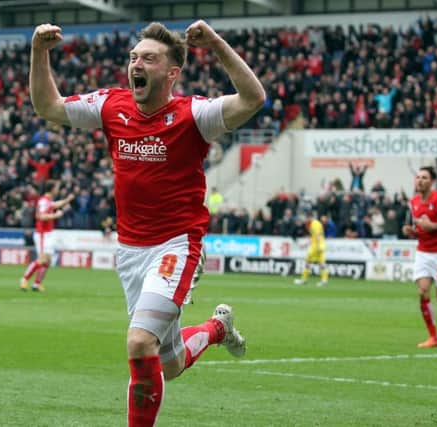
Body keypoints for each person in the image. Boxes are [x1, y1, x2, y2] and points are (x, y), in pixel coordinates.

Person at [30, 20, 265, 426]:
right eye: (133, 57)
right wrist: (39, 51)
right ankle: (216, 328)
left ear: (172, 72)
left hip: (176, 245)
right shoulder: (111, 106)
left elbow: (253, 98)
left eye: (149, 58)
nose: (136, 63)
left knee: (139, 343)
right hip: (130, 252)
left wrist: (215, 44)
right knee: (167, 365)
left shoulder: (195, 115)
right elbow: (48, 106)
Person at [402, 166, 437, 348]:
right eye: (418, 177)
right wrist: (411, 231)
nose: (420, 180)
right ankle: (433, 338)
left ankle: (434, 337)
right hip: (423, 253)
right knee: (422, 291)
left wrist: (434, 227)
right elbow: (420, 227)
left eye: (424, 177)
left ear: (432, 181)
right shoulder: (413, 202)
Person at [20, 183, 74, 292]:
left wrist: (67, 200)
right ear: (52, 189)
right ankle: (24, 279)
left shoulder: (48, 201)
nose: (57, 190)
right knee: (42, 259)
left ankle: (37, 284)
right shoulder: (43, 201)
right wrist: (55, 216)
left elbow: (56, 205)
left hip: (48, 233)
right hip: (42, 234)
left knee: (48, 261)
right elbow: (39, 216)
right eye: (57, 188)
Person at [294, 211, 329, 287]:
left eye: (306, 218)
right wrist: (305, 245)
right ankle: (324, 280)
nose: (306, 220)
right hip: (320, 245)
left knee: (308, 262)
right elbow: (314, 237)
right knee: (321, 263)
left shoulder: (314, 224)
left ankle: (304, 280)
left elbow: (318, 236)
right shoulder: (316, 223)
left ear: (309, 217)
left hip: (316, 246)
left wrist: (319, 245)